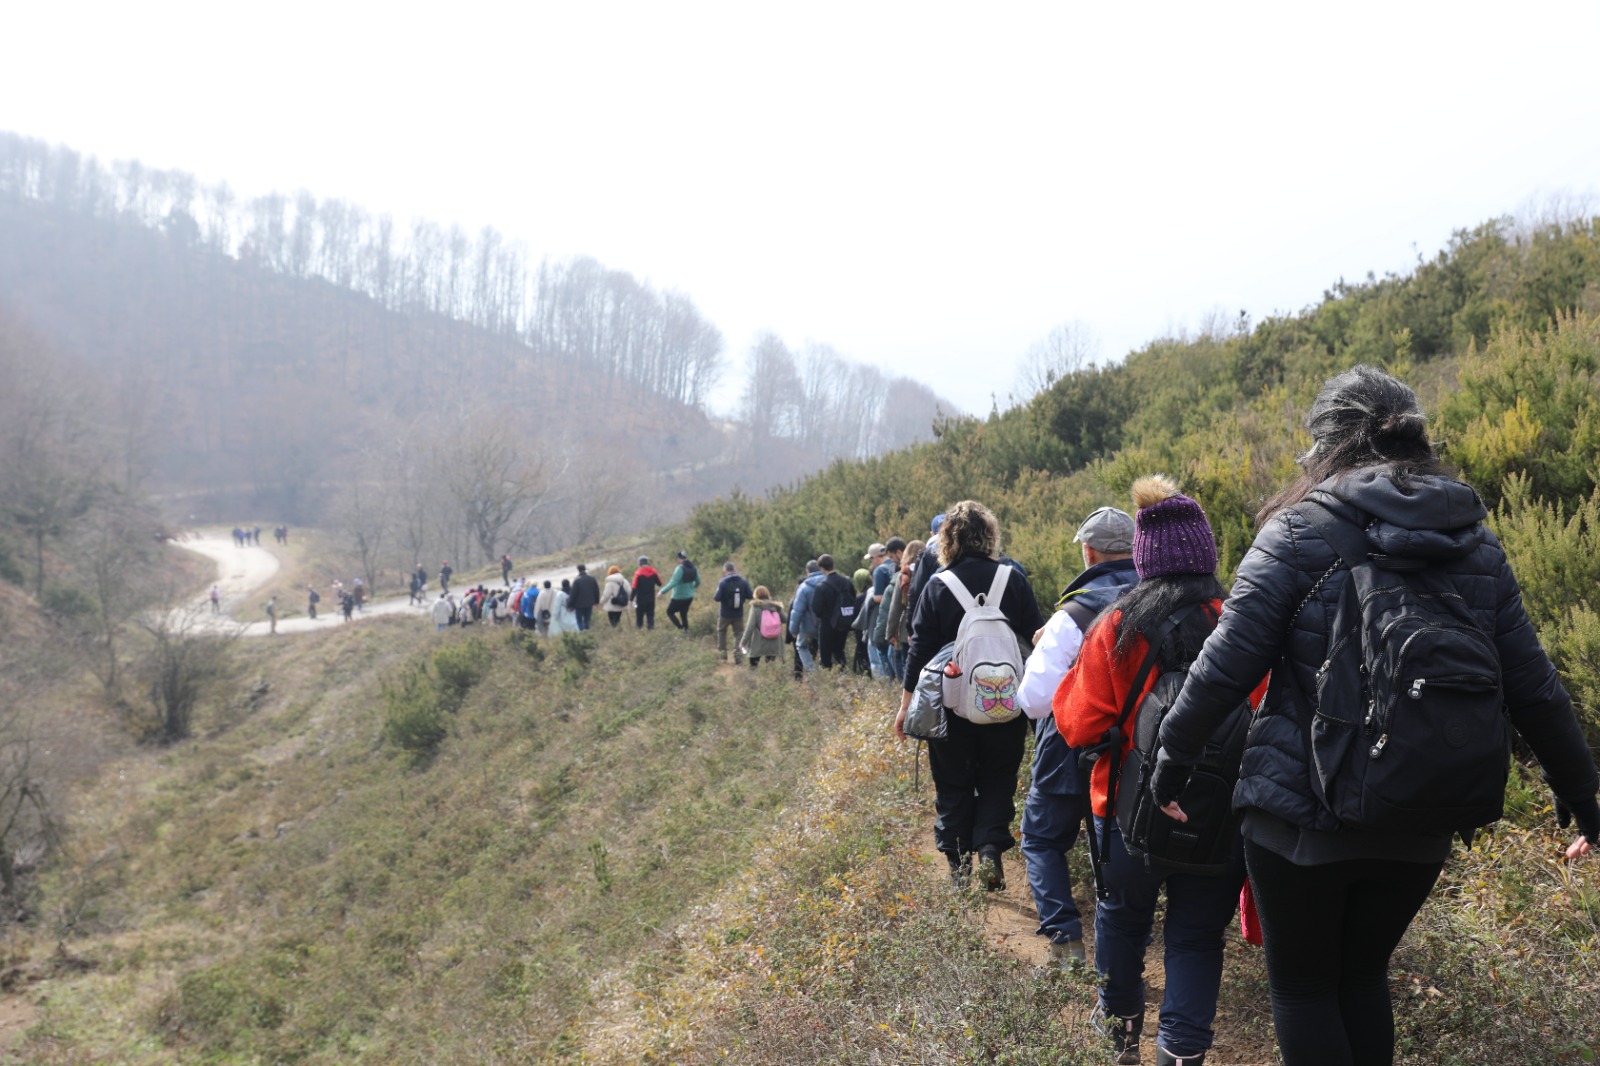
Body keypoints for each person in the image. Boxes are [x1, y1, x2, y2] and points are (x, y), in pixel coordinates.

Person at [1148, 365, 1600, 1066]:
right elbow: (1534, 686)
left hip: (1300, 816)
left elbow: (1224, 667)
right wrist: (1582, 794)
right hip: (1419, 812)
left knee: (1304, 990)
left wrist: (1170, 764)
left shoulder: (1295, 532)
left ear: (1325, 445)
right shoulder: (1475, 541)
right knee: (1361, 978)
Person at [1055, 478, 1257, 1066]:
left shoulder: (1118, 626)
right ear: (1207, 553)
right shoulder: (1239, 620)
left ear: (1144, 558)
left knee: (1121, 923)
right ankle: (1182, 1053)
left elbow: (1076, 723)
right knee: (1195, 938)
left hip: (1127, 813)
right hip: (1220, 816)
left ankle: (1119, 1041)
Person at [895, 501, 1044, 889]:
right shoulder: (1013, 579)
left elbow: (919, 649)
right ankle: (990, 850)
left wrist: (906, 704)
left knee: (953, 782)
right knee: (998, 777)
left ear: (947, 540)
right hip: (1005, 703)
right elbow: (1037, 638)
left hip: (951, 706)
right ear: (990, 536)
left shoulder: (937, 585)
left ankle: (958, 867)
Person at [1016, 505, 1139, 971]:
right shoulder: (1164, 598)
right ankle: (1121, 949)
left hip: (1071, 746)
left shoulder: (1075, 612)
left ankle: (1066, 942)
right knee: (1113, 843)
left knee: (1042, 839)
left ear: (1089, 552)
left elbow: (1033, 699)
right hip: (1141, 750)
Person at [809, 555, 857, 670]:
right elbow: (853, 598)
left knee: (826, 656)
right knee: (839, 651)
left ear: (821, 568)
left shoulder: (821, 586)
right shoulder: (847, 582)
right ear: (833, 565)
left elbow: (816, 608)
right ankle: (843, 675)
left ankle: (829, 681)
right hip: (844, 622)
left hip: (827, 624)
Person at [712, 562, 753, 663]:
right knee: (738, 633)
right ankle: (737, 655)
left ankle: (723, 654)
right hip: (738, 614)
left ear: (725, 571)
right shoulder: (743, 582)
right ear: (734, 569)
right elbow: (751, 596)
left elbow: (716, 598)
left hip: (724, 614)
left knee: (722, 632)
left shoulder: (722, 582)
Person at [788, 560, 824, 673]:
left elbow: (798, 611)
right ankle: (828, 673)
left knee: (801, 646)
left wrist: (793, 629)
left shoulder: (804, 587)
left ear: (807, 571)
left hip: (808, 627)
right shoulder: (828, 582)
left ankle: (812, 671)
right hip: (826, 625)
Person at [739, 586, 786, 667]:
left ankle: (754, 678)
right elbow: (785, 619)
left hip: (758, 642)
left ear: (756, 595)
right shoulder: (775, 606)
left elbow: (750, 627)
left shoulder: (755, 607)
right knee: (771, 667)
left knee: (753, 666)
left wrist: (743, 642)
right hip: (774, 642)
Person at [660, 551, 701, 630]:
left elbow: (673, 583)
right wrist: (691, 588)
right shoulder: (693, 567)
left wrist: (662, 591)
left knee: (670, 612)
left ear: (678, 558)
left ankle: (680, 627)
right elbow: (698, 582)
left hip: (678, 597)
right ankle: (686, 631)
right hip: (689, 597)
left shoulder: (680, 568)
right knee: (683, 614)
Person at [631, 557, 661, 629]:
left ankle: (639, 631)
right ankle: (651, 631)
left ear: (640, 564)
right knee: (650, 616)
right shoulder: (653, 572)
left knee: (639, 617)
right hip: (651, 599)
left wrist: (631, 599)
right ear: (647, 563)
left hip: (640, 599)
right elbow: (659, 583)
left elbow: (634, 588)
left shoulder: (637, 574)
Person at [569, 564, 601, 631]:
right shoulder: (592, 579)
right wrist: (597, 601)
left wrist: (570, 605)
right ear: (585, 569)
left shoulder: (577, 581)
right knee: (587, 619)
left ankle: (583, 632)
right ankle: (587, 630)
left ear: (578, 570)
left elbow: (573, 594)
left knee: (579, 621)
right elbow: (596, 591)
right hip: (590, 603)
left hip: (579, 605)